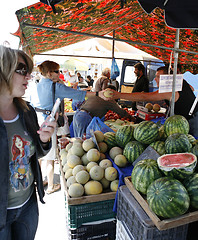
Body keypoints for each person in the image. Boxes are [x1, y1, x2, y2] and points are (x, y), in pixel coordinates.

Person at [0, 45, 57, 239]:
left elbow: (33, 156)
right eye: (23, 71)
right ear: (4, 70)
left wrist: (43, 140)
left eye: (29, 72)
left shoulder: (27, 112)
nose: (28, 77)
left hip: (28, 206)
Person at [36, 60, 107, 193]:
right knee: (50, 157)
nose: (60, 74)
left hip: (37, 120)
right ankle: (50, 186)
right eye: (57, 71)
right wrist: (98, 94)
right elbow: (78, 94)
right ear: (50, 73)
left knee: (40, 155)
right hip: (48, 123)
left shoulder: (39, 84)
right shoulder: (55, 87)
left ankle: (41, 180)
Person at [107, 66, 198, 137]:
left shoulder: (170, 90)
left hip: (192, 121)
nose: (155, 79)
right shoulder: (181, 82)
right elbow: (192, 88)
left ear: (167, 78)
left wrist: (119, 95)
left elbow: (145, 97)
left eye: (158, 77)